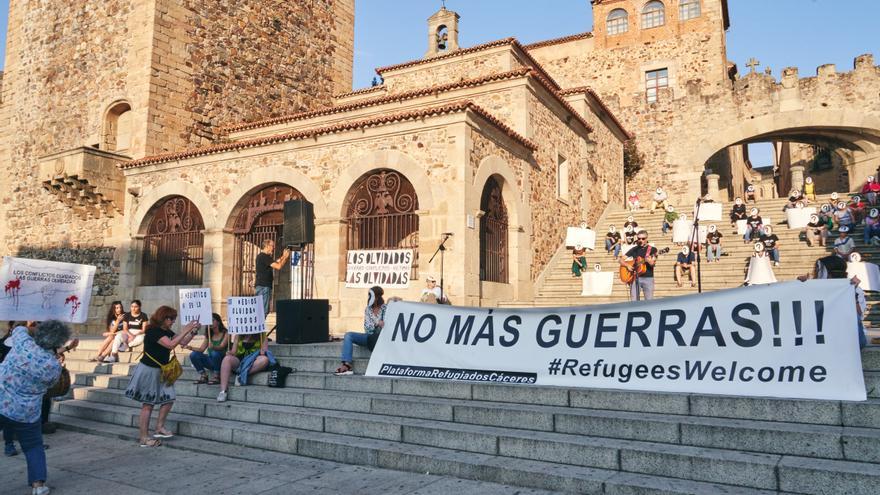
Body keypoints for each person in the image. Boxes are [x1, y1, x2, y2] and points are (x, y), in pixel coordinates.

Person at [0, 320, 71, 494]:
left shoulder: (23, 342)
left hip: (2, 400)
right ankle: (38, 486)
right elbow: (51, 385)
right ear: (57, 343)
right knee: (33, 447)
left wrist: (34, 327)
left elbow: (18, 328)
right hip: (27, 411)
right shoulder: (53, 365)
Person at [125, 306, 199, 447]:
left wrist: (193, 332)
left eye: (174, 319)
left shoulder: (166, 331)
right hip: (148, 370)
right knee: (148, 405)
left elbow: (182, 342)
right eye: (171, 319)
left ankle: (159, 427)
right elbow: (171, 345)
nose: (172, 322)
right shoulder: (153, 331)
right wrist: (186, 329)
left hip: (161, 371)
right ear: (163, 318)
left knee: (169, 397)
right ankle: (144, 438)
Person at [798, 254, 866, 348]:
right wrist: (801, 287)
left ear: (828, 273)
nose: (815, 273)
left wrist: (851, 293)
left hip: (848, 337)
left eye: (818, 270)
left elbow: (858, 315)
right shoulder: (813, 288)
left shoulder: (855, 289)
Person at [335, 286, 386, 375]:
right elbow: (367, 327)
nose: (369, 298)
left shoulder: (386, 308)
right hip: (368, 337)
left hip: (381, 338)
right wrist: (377, 323)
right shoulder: (368, 309)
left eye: (371, 296)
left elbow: (387, 325)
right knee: (348, 335)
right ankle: (347, 365)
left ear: (377, 297)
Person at [216, 329, 274, 402]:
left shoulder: (262, 335)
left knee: (264, 359)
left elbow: (264, 351)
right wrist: (230, 353)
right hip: (240, 360)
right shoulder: (239, 335)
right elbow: (234, 352)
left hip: (253, 360)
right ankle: (223, 391)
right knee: (226, 359)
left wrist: (263, 351)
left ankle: (241, 375)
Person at [185, 313, 229, 385]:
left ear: (218, 322)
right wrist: (190, 347)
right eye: (209, 321)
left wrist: (213, 347)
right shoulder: (209, 334)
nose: (210, 323)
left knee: (214, 353)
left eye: (213, 320)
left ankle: (216, 376)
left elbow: (222, 346)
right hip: (211, 360)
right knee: (193, 355)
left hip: (222, 361)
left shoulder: (226, 333)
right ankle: (203, 375)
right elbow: (202, 349)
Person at [254, 239, 291, 317]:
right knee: (263, 310)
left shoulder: (262, 256)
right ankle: (259, 328)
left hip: (262, 286)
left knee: (260, 310)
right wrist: (286, 258)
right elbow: (278, 266)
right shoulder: (264, 257)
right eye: (272, 246)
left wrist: (283, 256)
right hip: (264, 287)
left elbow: (276, 262)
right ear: (267, 246)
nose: (273, 248)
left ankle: (258, 327)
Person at [620, 230, 657, 301]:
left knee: (649, 301)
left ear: (647, 238)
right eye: (639, 238)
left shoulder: (652, 250)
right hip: (634, 277)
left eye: (643, 238)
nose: (641, 240)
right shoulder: (634, 249)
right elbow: (621, 260)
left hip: (648, 278)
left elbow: (653, 264)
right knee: (634, 301)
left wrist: (649, 261)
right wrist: (627, 265)